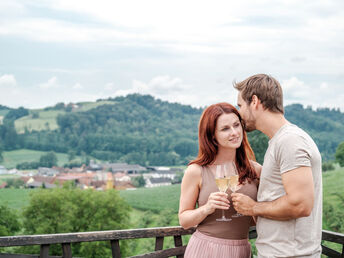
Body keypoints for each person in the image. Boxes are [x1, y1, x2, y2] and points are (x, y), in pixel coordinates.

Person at [231, 74, 322, 258]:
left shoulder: (290, 141)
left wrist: (253, 207)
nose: (239, 113)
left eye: (240, 105)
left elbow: (301, 205)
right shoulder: (280, 141)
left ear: (254, 101)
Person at [179, 102, 261, 258]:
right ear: (212, 136)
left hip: (242, 250)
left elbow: (259, 217)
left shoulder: (256, 170)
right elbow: (184, 220)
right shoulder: (195, 171)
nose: (235, 132)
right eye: (225, 129)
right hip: (206, 250)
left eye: (237, 125)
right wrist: (207, 208)